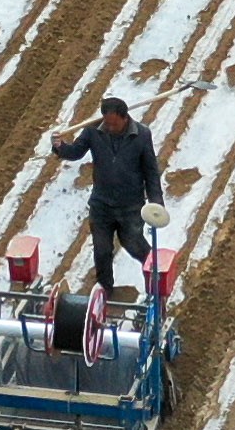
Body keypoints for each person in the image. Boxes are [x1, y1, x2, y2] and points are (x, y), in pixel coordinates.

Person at [52, 95, 168, 296]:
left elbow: (150, 171)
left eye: (114, 124)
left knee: (135, 246)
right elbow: (75, 152)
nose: (111, 128)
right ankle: (105, 291)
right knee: (102, 250)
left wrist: (156, 203)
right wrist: (59, 146)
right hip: (102, 205)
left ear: (125, 118)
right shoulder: (93, 131)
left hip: (130, 206)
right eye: (108, 123)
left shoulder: (141, 135)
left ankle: (155, 285)